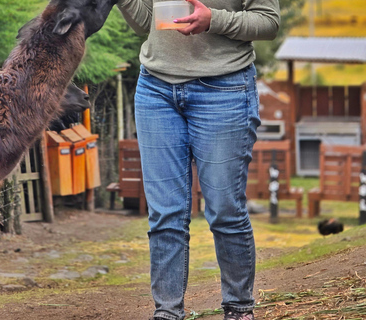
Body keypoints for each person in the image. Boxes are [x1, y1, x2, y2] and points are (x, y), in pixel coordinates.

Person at [116, 0, 280, 319]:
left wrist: (213, 20)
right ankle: (167, 311)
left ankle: (238, 307)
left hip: (224, 89)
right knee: (165, 213)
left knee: (224, 209)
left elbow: (268, 22)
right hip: (156, 89)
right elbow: (147, 23)